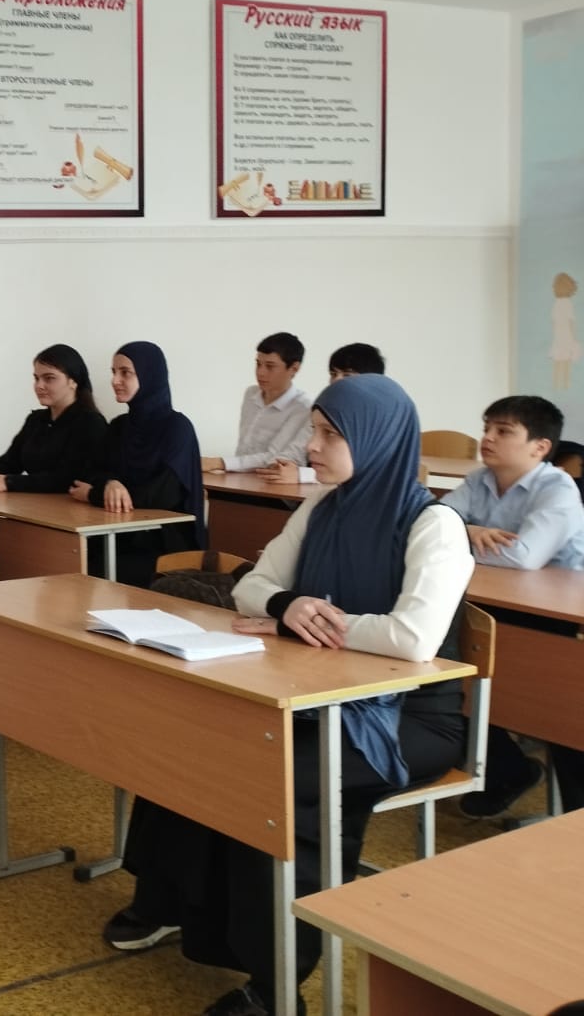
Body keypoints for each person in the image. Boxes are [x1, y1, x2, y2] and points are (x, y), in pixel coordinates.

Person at [102, 374, 473, 1016]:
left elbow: (413, 639)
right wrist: (287, 604)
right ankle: (168, 902)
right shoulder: (321, 506)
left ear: (377, 441)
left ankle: (275, 985)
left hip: (408, 714)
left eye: (329, 435)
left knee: (279, 777)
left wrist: (312, 622)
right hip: (319, 690)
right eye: (314, 431)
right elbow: (252, 585)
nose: (311, 447)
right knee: (194, 742)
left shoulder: (434, 523)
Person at [441, 395, 584, 817]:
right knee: (448, 680)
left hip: (556, 619)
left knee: (553, 712)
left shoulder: (558, 489)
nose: (487, 438)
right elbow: (429, 525)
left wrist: (457, 536)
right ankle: (510, 771)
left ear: (539, 447)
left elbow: (524, 556)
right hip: (496, 603)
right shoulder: (480, 480)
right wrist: (471, 530)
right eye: (487, 427)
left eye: (503, 431)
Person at [69, 341, 204, 585]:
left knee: (91, 571)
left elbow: (161, 495)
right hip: (118, 534)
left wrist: (95, 494)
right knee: (69, 559)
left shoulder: (177, 428)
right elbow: (88, 475)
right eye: (113, 372)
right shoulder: (119, 427)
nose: (115, 380)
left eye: (125, 373)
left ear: (150, 375)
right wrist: (110, 483)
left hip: (164, 544)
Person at [0, 344, 106, 495]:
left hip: (68, 506)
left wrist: (7, 482)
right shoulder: (35, 420)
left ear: (73, 381)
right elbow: (9, 462)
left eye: (49, 378)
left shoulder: (91, 423)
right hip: (34, 504)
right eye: (36, 378)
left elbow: (68, 479)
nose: (39, 386)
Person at [257, 342, 385, 484]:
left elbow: (364, 470)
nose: (336, 380)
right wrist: (281, 464)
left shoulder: (380, 419)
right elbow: (295, 450)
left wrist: (301, 474)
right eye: (333, 374)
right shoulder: (323, 411)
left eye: (347, 375)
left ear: (372, 381)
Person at [202, 332, 312, 474]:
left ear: (294, 368)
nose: (260, 372)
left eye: (270, 366)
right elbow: (242, 450)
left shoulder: (302, 408)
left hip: (271, 481)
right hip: (238, 476)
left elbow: (274, 457)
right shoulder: (251, 394)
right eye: (258, 364)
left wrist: (219, 463)